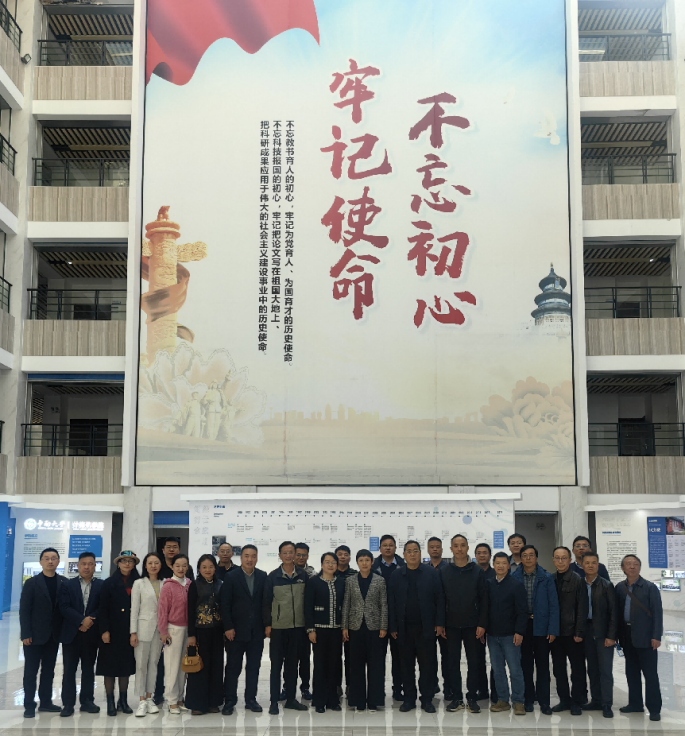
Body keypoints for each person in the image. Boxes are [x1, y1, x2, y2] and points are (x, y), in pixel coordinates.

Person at [388, 540, 445, 713]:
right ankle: (409, 699)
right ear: (403, 555)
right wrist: (392, 626)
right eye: (409, 551)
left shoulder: (430, 573)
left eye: (415, 551)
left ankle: (427, 699)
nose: (412, 554)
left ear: (420, 553)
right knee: (406, 666)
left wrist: (439, 623)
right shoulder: (396, 575)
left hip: (426, 628)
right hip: (403, 629)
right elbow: (391, 603)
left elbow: (440, 599)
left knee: (427, 665)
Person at [441, 534, 488, 714]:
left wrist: (482, 624)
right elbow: (440, 600)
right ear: (451, 549)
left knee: (474, 662)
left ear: (468, 548)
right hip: (450, 625)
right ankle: (457, 698)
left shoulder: (477, 571)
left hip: (472, 625)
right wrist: (440, 623)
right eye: (456, 545)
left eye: (462, 545)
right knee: (452, 663)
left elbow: (484, 600)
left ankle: (472, 697)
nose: (459, 549)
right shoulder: (444, 571)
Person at [19, 547, 67, 718]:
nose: (50, 561)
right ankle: (29, 705)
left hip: (53, 636)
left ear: (58, 561)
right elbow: (24, 610)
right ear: (41, 562)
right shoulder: (31, 583)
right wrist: (25, 633)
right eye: (46, 558)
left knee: (48, 671)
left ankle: (45, 702)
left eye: (53, 558)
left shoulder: (64, 582)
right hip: (34, 636)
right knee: (30, 672)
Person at [615, 554, 663, 722]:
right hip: (627, 636)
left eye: (635, 564)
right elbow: (616, 613)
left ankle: (654, 709)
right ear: (623, 568)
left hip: (646, 636)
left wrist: (656, 636)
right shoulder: (619, 588)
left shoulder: (650, 587)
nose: (632, 566)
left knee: (650, 675)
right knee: (631, 673)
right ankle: (635, 704)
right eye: (628, 564)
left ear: (639, 567)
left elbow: (657, 613)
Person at [511, 544, 558, 715]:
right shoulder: (514, 577)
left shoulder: (546, 577)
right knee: (525, 665)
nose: (528, 558)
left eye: (531, 555)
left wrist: (552, 629)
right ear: (521, 558)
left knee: (543, 665)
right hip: (522, 625)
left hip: (542, 626)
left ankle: (544, 702)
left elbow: (554, 605)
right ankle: (528, 699)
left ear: (536, 558)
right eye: (525, 555)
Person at [220, 544, 267, 715]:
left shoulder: (262, 576)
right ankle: (229, 700)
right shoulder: (231, 576)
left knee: (253, 667)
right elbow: (225, 604)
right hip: (235, 631)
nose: (250, 559)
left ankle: (251, 699)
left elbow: (265, 603)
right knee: (233, 667)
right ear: (241, 558)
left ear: (257, 558)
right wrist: (228, 627)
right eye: (246, 556)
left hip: (256, 631)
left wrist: (267, 625)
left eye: (253, 556)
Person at [263, 541, 309, 715]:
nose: (289, 556)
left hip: (298, 628)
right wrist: (268, 624)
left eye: (292, 552)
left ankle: (291, 699)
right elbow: (266, 603)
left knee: (292, 666)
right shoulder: (272, 577)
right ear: (280, 555)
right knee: (276, 666)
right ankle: (274, 701)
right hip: (279, 628)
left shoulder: (303, 575)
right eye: (285, 552)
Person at [342, 549, 388, 713]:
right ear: (357, 562)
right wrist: (344, 626)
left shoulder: (380, 580)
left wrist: (383, 626)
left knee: (376, 665)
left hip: (374, 628)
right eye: (361, 560)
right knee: (356, 665)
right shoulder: (350, 581)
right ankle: (358, 701)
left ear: (372, 562)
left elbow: (384, 605)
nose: (364, 563)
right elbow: (346, 604)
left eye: (367, 560)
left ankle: (374, 701)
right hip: (355, 627)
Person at [58, 551, 103, 717]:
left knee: (88, 669)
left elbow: (103, 607)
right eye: (83, 564)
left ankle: (87, 701)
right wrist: (81, 620)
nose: (87, 567)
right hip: (72, 633)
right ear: (78, 566)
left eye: (90, 564)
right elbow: (64, 607)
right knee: (69, 669)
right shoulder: (67, 585)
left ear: (95, 566)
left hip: (91, 633)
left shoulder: (101, 585)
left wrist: (89, 621)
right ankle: (68, 704)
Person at [98, 550, 139, 716]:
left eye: (130, 561)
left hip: (129, 631)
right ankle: (110, 701)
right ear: (118, 564)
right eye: (123, 561)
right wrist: (104, 630)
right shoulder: (109, 583)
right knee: (109, 667)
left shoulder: (138, 582)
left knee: (125, 667)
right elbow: (102, 608)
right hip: (112, 630)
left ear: (134, 564)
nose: (127, 564)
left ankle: (123, 700)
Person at [486, 552, 528, 715]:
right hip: (492, 635)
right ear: (493, 565)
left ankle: (518, 701)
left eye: (504, 563)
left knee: (515, 669)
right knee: (498, 670)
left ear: (509, 566)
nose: (501, 566)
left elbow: (522, 611)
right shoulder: (488, 584)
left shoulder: (516, 585)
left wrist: (519, 631)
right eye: (498, 563)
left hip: (511, 635)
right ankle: (503, 700)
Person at [153, 538, 193, 705]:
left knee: (183, 667)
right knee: (172, 667)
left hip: (187, 630)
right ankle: (171, 700)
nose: (181, 569)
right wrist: (163, 631)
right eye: (177, 566)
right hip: (173, 629)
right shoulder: (168, 586)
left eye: (184, 566)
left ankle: (180, 698)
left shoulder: (190, 584)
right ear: (172, 567)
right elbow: (162, 611)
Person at [305, 552, 345, 713]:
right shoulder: (313, 582)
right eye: (327, 562)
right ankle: (319, 700)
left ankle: (333, 700)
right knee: (320, 665)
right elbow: (308, 607)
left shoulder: (341, 582)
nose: (330, 565)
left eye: (333, 562)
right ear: (321, 565)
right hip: (319, 631)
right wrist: (310, 629)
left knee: (335, 665)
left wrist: (344, 628)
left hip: (336, 630)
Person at [550, 546, 587, 715]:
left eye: (563, 558)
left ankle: (577, 701)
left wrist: (579, 632)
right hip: (555, 634)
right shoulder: (550, 579)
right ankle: (564, 700)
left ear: (570, 560)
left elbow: (582, 608)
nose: (560, 561)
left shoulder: (577, 580)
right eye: (557, 558)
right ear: (553, 560)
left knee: (577, 669)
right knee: (559, 669)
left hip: (572, 633)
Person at [186, 554, 224, 715]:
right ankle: (197, 704)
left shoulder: (221, 584)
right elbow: (190, 611)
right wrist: (191, 635)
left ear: (215, 568)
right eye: (204, 567)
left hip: (217, 631)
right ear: (199, 569)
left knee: (216, 666)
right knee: (199, 667)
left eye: (210, 567)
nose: (207, 570)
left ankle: (213, 703)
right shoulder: (194, 585)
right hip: (200, 632)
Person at [580, 551, 615, 718]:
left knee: (605, 670)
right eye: (587, 563)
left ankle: (607, 703)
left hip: (603, 632)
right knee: (592, 668)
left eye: (594, 563)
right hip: (586, 631)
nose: (590, 566)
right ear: (582, 565)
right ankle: (596, 700)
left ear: (598, 565)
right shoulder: (579, 584)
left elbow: (614, 613)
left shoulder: (606, 585)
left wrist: (611, 636)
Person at [130, 552, 164, 717]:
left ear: (160, 565)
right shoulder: (139, 583)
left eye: (156, 562)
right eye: (150, 563)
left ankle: (150, 698)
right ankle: (141, 700)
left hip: (159, 630)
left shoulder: (165, 583)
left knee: (153, 665)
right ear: (145, 565)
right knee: (141, 665)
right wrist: (133, 632)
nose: (153, 566)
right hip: (143, 628)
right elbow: (134, 609)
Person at [371, 534, 405, 701]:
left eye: (391, 545)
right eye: (385, 545)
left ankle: (398, 689)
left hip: (399, 619)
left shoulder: (404, 565)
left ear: (395, 548)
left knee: (399, 657)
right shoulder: (373, 567)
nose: (388, 548)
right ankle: (378, 691)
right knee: (378, 658)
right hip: (378, 620)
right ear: (380, 548)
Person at [425, 537, 452, 702]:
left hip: (446, 620)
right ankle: (432, 684)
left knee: (447, 656)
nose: (435, 549)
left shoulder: (448, 568)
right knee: (429, 656)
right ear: (428, 550)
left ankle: (448, 687)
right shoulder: (423, 569)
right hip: (427, 620)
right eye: (432, 547)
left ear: (442, 549)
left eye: (437, 547)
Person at [291, 542, 314, 702]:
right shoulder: (286, 572)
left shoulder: (312, 574)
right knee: (289, 658)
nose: (300, 557)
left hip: (305, 623)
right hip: (288, 622)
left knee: (305, 658)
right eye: (298, 554)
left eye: (303, 555)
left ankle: (305, 687)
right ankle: (287, 688)